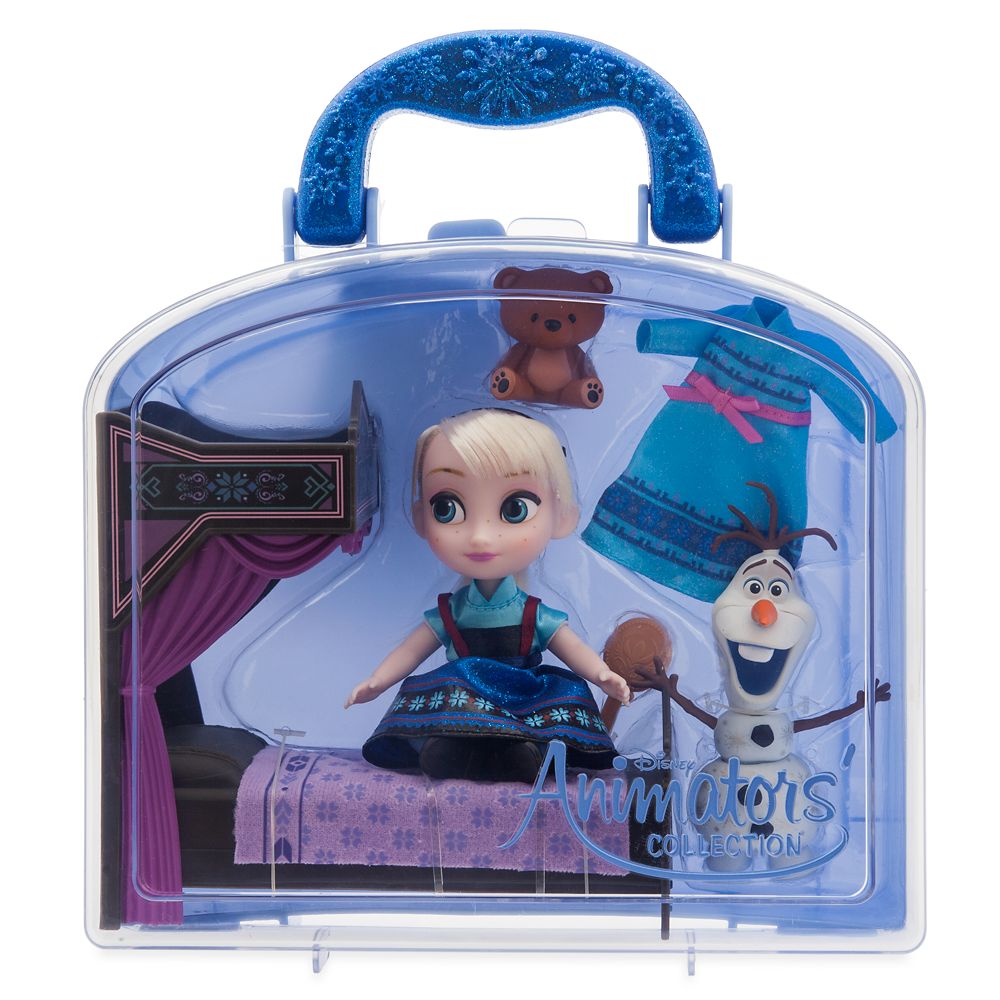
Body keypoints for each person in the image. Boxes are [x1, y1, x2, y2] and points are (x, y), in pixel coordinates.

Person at [347, 409, 628, 782]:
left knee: (539, 724)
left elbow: (570, 647)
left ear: (561, 515)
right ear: (421, 516)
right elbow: (411, 651)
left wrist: (602, 675)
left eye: (515, 509)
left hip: (524, 695)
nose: (480, 536)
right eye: (447, 508)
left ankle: (521, 753)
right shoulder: (453, 612)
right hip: (464, 694)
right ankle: (454, 750)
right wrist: (376, 682)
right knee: (452, 712)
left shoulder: (531, 613)